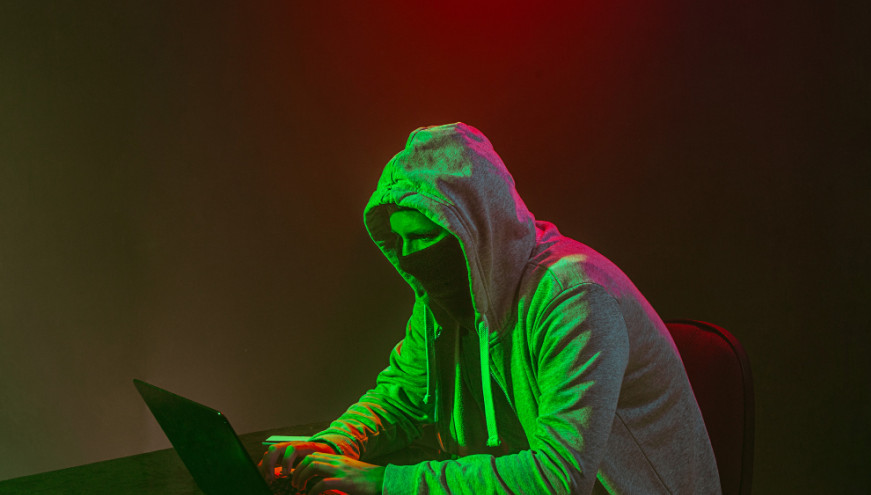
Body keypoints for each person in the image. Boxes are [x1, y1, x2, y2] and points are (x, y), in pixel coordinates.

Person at [260, 123, 722, 494]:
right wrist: (334, 444)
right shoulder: (447, 299)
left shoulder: (576, 297)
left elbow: (559, 479)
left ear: (476, 228)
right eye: (399, 239)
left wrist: (385, 483)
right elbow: (405, 396)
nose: (409, 256)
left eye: (424, 237)